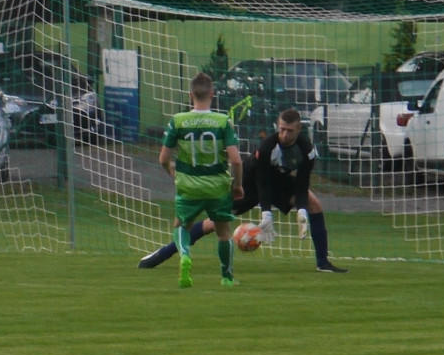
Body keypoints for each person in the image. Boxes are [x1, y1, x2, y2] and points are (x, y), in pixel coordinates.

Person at [139, 107, 348, 273]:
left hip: (280, 183)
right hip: (249, 183)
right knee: (214, 223)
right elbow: (262, 182)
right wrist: (267, 214)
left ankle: (323, 263)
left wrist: (301, 210)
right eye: (281, 128)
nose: (284, 134)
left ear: (298, 130)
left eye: (289, 130)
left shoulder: (307, 151)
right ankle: (162, 254)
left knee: (314, 204)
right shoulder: (267, 146)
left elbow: (302, 184)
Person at [158, 71, 244, 288]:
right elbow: (236, 161)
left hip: (189, 187)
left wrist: (173, 173)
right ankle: (226, 277)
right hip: (217, 186)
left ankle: (185, 255)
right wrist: (238, 185)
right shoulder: (223, 121)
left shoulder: (178, 121)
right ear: (212, 94)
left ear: (190, 95)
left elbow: (163, 159)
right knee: (223, 233)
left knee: (180, 226)